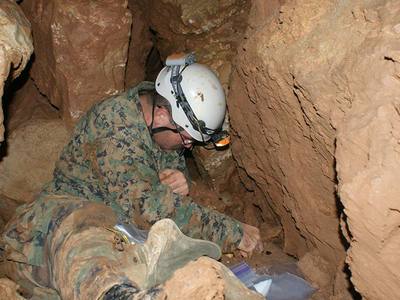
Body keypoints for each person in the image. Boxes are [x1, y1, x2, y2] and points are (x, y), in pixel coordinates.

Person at [0, 54, 262, 299]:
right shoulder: (116, 122)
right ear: (162, 113)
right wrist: (232, 232)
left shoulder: (163, 131)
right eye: (186, 138)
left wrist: (180, 181)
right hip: (52, 229)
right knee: (90, 242)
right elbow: (147, 208)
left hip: (114, 234)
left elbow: (164, 186)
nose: (188, 146)